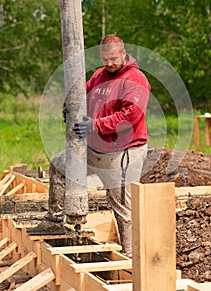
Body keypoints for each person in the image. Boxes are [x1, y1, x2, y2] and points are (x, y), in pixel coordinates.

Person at [28, 34, 151, 257]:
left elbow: (131, 116)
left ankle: (131, 258)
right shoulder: (98, 76)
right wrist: (71, 106)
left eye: (114, 58)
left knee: (121, 204)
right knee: (59, 164)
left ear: (124, 53)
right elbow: (82, 96)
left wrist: (95, 124)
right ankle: (54, 221)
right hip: (96, 147)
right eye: (105, 59)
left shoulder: (136, 79)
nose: (109, 63)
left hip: (124, 152)